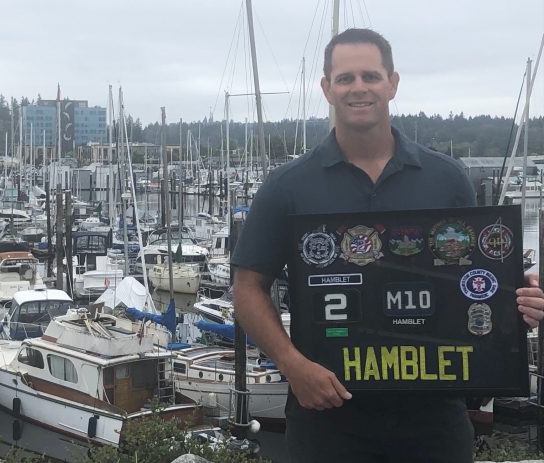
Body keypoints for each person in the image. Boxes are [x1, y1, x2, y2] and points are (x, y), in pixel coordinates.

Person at [231, 28, 544, 463]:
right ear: (326, 89)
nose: (358, 87)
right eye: (345, 78)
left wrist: (517, 299)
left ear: (392, 83)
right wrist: (292, 365)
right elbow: (247, 286)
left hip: (434, 419)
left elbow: (473, 281)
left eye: (370, 76)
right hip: (327, 416)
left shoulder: (447, 177)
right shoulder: (287, 186)